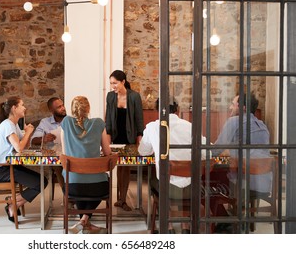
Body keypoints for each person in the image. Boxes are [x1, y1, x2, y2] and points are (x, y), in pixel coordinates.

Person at [138, 97, 207, 234]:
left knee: (161, 179)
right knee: (179, 178)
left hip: (167, 189)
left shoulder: (153, 127)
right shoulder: (189, 126)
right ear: (178, 110)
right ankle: (185, 226)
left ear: (158, 111)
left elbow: (143, 152)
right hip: (192, 189)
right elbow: (206, 151)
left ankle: (168, 227)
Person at [211, 93, 271, 233]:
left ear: (242, 107)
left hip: (242, 184)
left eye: (233, 104)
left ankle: (225, 221)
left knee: (208, 179)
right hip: (264, 184)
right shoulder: (262, 125)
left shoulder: (234, 122)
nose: (230, 106)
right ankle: (241, 217)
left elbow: (215, 150)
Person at [0, 96, 48, 223]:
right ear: (14, 108)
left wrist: (28, 132)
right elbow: (19, 148)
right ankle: (13, 203)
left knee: (43, 181)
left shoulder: (13, 125)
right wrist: (27, 133)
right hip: (1, 170)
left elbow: (25, 144)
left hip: (10, 166)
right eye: (22, 105)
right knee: (40, 182)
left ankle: (13, 201)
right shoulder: (7, 125)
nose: (25, 108)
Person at [61, 96, 112, 234]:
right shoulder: (99, 123)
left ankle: (83, 221)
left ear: (72, 109)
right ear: (88, 109)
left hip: (72, 186)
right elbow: (108, 152)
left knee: (77, 181)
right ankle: (84, 221)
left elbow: (65, 154)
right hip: (97, 187)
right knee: (103, 183)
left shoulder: (65, 122)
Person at [105, 70, 144, 211]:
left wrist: (139, 139)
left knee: (125, 168)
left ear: (123, 82)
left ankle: (122, 200)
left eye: (115, 83)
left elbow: (139, 119)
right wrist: (107, 138)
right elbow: (108, 118)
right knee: (118, 166)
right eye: (111, 83)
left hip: (129, 136)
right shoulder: (110, 96)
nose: (112, 86)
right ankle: (119, 199)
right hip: (115, 136)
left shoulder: (134, 96)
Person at [31, 97, 66, 190]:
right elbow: (33, 140)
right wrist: (44, 138)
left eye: (63, 105)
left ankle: (74, 194)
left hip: (70, 154)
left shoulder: (70, 120)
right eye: (59, 107)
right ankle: (68, 196)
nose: (63, 108)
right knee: (58, 166)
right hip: (54, 156)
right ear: (51, 110)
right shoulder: (45, 122)